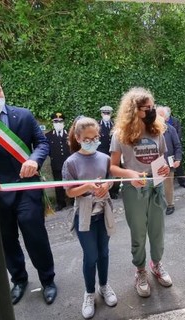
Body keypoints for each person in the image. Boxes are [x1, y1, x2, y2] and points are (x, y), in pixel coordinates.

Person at [0, 68, 57, 305]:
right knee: (6, 239)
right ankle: (19, 280)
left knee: (34, 233)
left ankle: (48, 280)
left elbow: (42, 143)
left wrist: (34, 159)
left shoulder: (23, 115)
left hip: (27, 187)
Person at [110, 87, 172, 298]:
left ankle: (156, 264)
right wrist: (129, 173)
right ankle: (140, 271)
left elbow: (163, 158)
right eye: (148, 108)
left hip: (156, 187)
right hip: (134, 189)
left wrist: (165, 167)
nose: (152, 111)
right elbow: (113, 167)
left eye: (153, 107)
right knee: (138, 233)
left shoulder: (157, 130)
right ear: (134, 109)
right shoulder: (120, 134)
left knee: (158, 230)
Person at [62, 117, 117, 319]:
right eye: (87, 138)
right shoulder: (71, 162)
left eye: (95, 137)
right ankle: (89, 293)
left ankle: (104, 286)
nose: (92, 141)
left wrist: (106, 186)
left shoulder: (104, 158)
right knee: (91, 255)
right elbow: (69, 192)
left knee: (104, 252)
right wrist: (86, 186)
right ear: (78, 138)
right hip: (84, 215)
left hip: (103, 213)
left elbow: (111, 180)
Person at [156, 106, 182, 215]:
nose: (157, 117)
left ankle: (170, 204)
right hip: (155, 163)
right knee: (156, 185)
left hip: (168, 162)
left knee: (168, 186)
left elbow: (177, 146)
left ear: (166, 118)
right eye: (157, 115)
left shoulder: (171, 130)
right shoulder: (150, 130)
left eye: (160, 115)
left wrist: (178, 159)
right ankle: (157, 204)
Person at [45, 112, 70, 210]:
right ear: (53, 122)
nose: (58, 123)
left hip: (69, 163)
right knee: (58, 183)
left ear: (64, 122)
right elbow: (47, 150)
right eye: (56, 121)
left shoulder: (69, 134)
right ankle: (61, 203)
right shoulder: (48, 136)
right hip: (56, 163)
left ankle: (73, 200)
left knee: (71, 182)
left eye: (60, 121)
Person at [164, 106, 185, 188]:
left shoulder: (175, 121)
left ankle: (182, 182)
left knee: (178, 166)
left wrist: (175, 141)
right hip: (166, 148)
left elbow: (179, 132)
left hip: (174, 145)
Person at [97, 106, 120, 199]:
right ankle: (104, 190)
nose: (106, 115)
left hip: (114, 152)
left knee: (114, 172)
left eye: (108, 113)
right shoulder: (97, 125)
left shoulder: (115, 125)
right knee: (104, 172)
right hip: (102, 153)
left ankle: (114, 191)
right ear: (101, 114)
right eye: (104, 113)